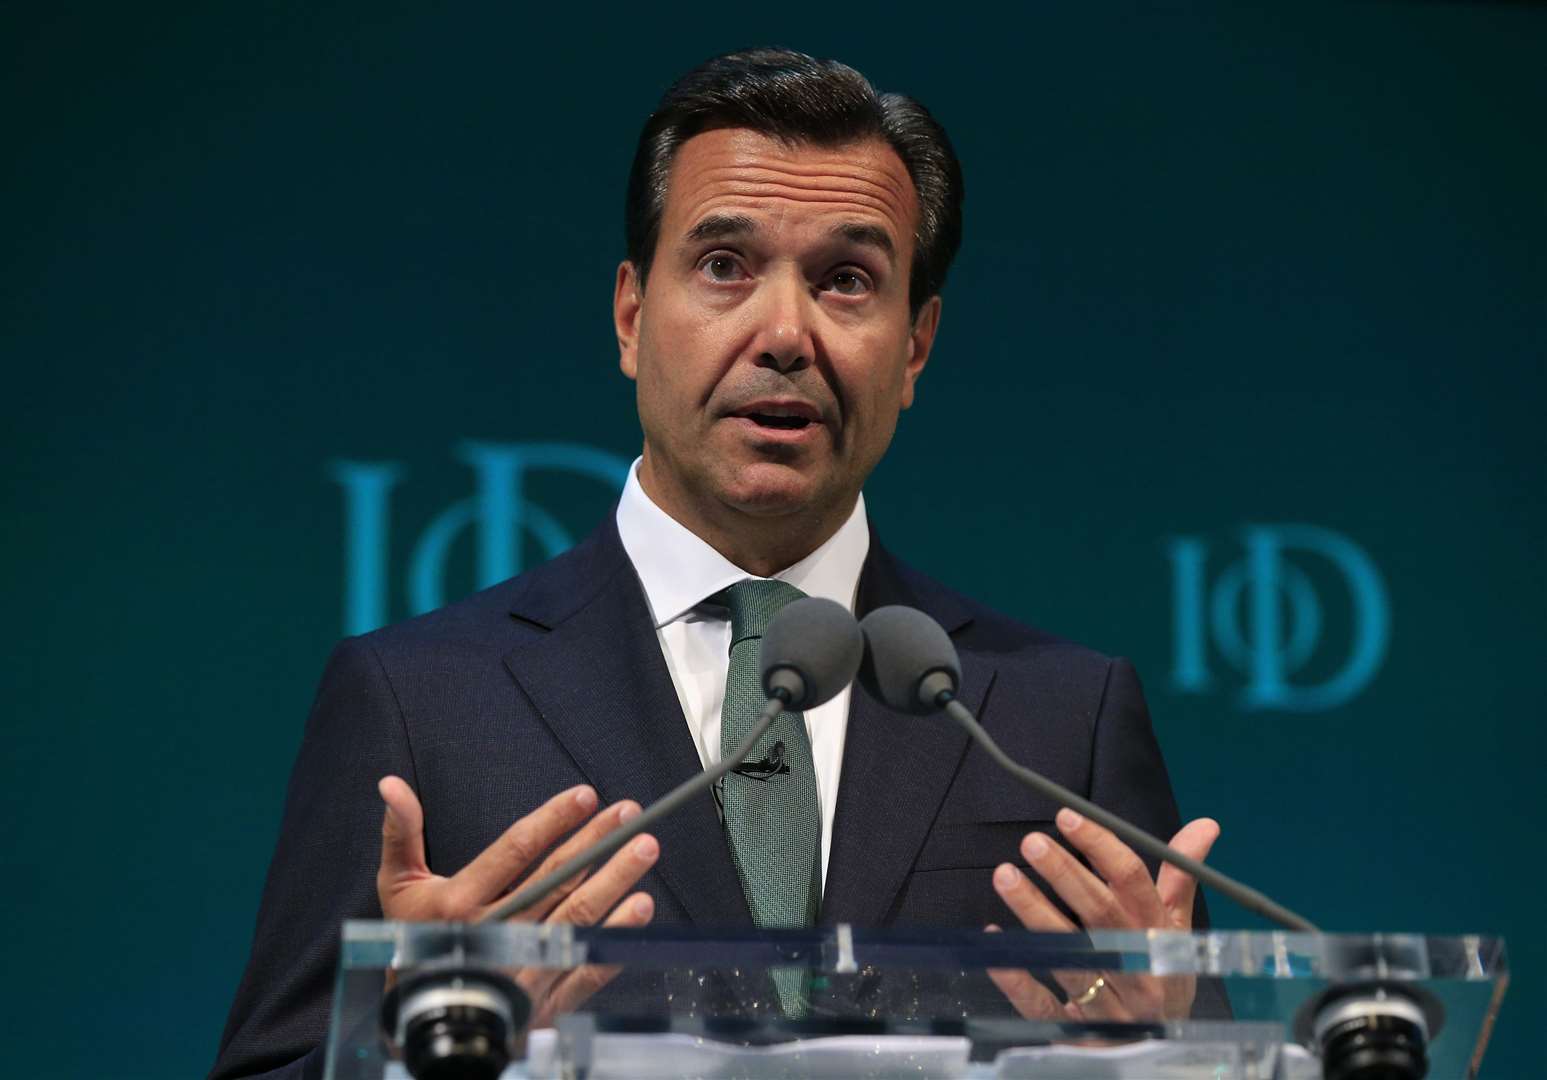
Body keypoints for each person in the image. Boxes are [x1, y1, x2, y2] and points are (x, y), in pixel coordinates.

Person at [210, 48, 1219, 1079]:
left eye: (847, 280)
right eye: (724, 266)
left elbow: (1205, 1042)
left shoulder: (1057, 722)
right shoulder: (417, 703)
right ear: (630, 315)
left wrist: (1167, 1054)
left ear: (914, 347)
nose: (784, 332)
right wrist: (404, 1046)